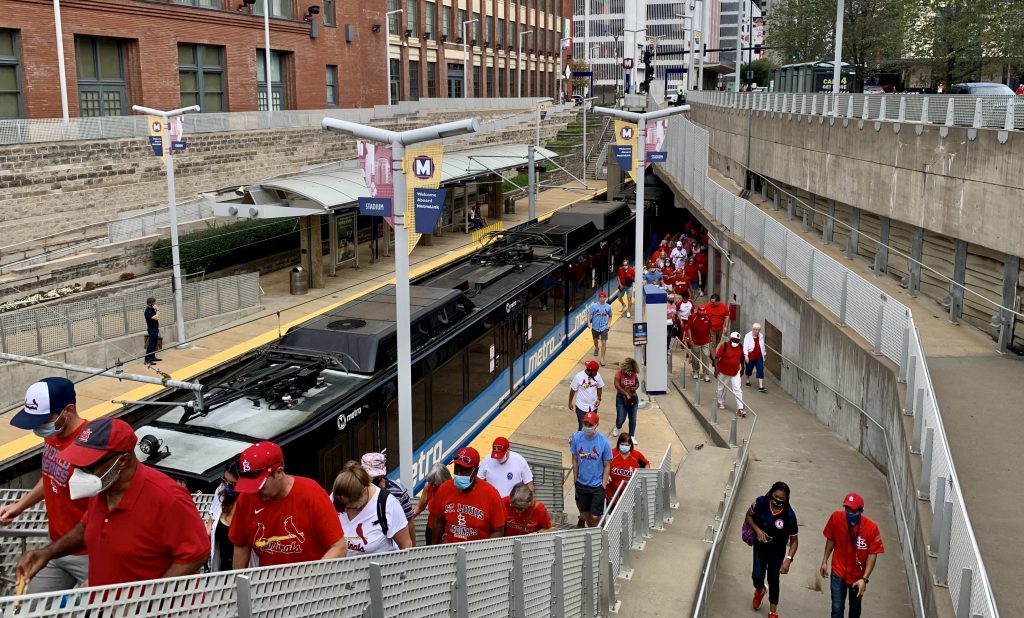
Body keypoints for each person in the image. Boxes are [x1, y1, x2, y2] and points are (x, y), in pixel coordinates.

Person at [17, 418, 210, 587]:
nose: (81, 473)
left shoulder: (169, 499)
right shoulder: (102, 488)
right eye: (77, 465)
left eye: (89, 466)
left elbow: (196, 554)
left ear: (123, 461)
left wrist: (150, 600)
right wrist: (47, 553)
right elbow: (87, 526)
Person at [1, 378, 89, 592]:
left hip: (91, 553)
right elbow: (51, 476)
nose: (38, 427)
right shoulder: (53, 436)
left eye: (43, 420)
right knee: (30, 608)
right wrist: (18, 507)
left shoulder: (91, 447)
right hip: (56, 547)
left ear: (67, 411)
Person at [229, 441, 346, 568]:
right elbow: (240, 544)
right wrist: (237, 584)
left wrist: (312, 578)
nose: (255, 492)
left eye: (260, 486)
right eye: (250, 486)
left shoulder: (312, 494)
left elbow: (339, 547)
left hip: (313, 582)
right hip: (269, 583)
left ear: (278, 472)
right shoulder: (247, 497)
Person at [821, 493, 885, 618]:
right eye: (847, 510)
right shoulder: (836, 518)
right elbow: (831, 539)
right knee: (837, 609)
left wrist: (864, 579)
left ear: (861, 511)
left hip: (857, 577)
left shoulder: (871, 528)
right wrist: (824, 561)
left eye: (854, 511)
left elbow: (873, 554)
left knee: (855, 611)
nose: (849, 514)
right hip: (838, 572)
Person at [332, 461, 412, 555]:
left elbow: (406, 545)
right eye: (343, 506)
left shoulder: (387, 504)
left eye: (351, 506)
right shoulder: (337, 497)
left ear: (364, 491)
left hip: (380, 567)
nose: (346, 509)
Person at [428, 447, 506, 543]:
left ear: (476, 471)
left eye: (464, 471)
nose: (459, 474)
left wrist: (483, 552)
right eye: (457, 469)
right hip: (451, 551)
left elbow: (498, 530)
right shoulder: (444, 489)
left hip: (478, 554)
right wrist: (435, 550)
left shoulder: (491, 494)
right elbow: (438, 521)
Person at [746, 482, 799, 618]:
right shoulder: (761, 502)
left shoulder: (789, 515)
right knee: (757, 576)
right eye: (776, 497)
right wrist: (757, 531)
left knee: (774, 580)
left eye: (782, 499)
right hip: (760, 547)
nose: (778, 500)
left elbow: (794, 541)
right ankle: (760, 590)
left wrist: (788, 560)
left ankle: (773, 612)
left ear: (787, 499)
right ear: (771, 494)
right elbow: (748, 516)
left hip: (777, 551)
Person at [207, 460, 258, 572]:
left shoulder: (255, 501)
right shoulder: (221, 491)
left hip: (248, 572)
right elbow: (210, 527)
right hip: (221, 571)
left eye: (233, 484)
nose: (227, 486)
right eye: (225, 481)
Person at [361, 451, 417, 546]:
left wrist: (413, 552)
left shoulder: (398, 491)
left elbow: (409, 522)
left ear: (381, 475)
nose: (369, 480)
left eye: (372, 476)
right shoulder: (356, 489)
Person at [570, 411, 612, 528]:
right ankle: (592, 531)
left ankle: (596, 529)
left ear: (596, 425)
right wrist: (575, 479)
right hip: (581, 483)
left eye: (590, 425)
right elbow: (574, 460)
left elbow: (607, 465)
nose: (587, 427)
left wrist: (603, 485)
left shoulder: (604, 442)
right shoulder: (577, 438)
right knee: (586, 512)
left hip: (597, 485)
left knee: (595, 516)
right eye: (586, 424)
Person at [410, 463, 452, 545]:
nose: (434, 486)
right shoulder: (429, 486)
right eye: (432, 483)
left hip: (447, 531)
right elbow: (420, 506)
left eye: (436, 484)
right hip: (431, 529)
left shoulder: (453, 487)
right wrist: (408, 518)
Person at [606, 432, 649, 502]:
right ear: (618, 444)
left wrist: (643, 478)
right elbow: (604, 465)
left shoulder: (637, 455)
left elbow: (646, 464)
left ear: (630, 445)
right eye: (622, 444)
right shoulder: (612, 453)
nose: (624, 447)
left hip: (631, 493)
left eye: (627, 445)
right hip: (613, 492)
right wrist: (606, 475)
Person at [715, 331, 746, 417]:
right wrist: (716, 370)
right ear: (730, 339)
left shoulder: (740, 347)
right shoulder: (724, 346)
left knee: (737, 389)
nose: (736, 342)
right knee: (721, 388)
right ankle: (720, 402)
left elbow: (742, 358)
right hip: (723, 372)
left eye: (737, 341)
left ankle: (740, 408)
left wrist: (742, 368)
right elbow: (717, 357)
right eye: (734, 340)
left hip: (735, 371)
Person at [568, 360, 604, 431]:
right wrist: (570, 402)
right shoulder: (579, 376)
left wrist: (599, 399)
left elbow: (600, 386)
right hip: (581, 407)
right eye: (595, 372)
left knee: (592, 427)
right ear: (592, 371)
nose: (596, 373)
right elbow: (573, 389)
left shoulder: (597, 376)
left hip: (593, 407)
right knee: (582, 428)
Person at [613, 357, 641, 441]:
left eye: (632, 371)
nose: (631, 373)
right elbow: (616, 385)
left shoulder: (634, 374)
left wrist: (635, 387)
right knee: (621, 418)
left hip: (633, 398)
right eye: (630, 371)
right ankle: (618, 427)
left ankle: (631, 436)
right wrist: (625, 393)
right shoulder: (619, 373)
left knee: (633, 418)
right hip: (621, 398)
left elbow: (637, 383)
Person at [687, 305, 714, 383]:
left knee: (706, 356)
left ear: (705, 311)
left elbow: (710, 327)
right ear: (698, 311)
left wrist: (711, 337)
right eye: (700, 312)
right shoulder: (693, 317)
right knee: (695, 357)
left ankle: (706, 373)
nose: (702, 313)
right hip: (695, 341)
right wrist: (690, 339)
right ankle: (696, 371)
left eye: (703, 312)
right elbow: (689, 328)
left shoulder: (708, 317)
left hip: (706, 341)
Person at [588, 291, 613, 365]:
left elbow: (610, 316)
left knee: (604, 342)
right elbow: (589, 314)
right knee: (595, 340)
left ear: (605, 298)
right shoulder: (594, 306)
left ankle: (602, 359)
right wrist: (589, 323)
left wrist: (608, 324)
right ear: (599, 298)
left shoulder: (608, 307)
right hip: (595, 327)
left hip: (604, 327)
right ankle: (596, 348)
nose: (602, 299)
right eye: (600, 297)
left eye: (603, 297)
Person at [744, 323, 768, 393]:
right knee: (749, 370)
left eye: (758, 330)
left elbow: (762, 346)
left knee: (760, 369)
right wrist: (746, 356)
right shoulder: (748, 336)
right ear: (753, 329)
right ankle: (748, 380)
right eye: (756, 330)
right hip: (750, 356)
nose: (757, 331)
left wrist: (764, 354)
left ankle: (761, 386)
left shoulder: (761, 336)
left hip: (759, 356)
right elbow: (745, 347)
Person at [143, 297, 163, 365]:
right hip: (152, 329)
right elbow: (157, 318)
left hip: (155, 328)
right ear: (150, 304)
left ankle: (152, 357)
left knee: (154, 344)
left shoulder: (151, 309)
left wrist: (155, 310)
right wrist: (157, 310)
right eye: (154, 303)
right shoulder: (147, 311)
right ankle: (147, 359)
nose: (155, 304)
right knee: (151, 344)